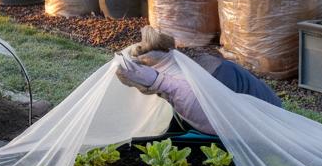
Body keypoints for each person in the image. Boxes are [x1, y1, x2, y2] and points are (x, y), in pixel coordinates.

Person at [115, 26, 282, 135]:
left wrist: (159, 82)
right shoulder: (186, 72)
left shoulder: (219, 75)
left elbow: (219, 125)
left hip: (266, 126)